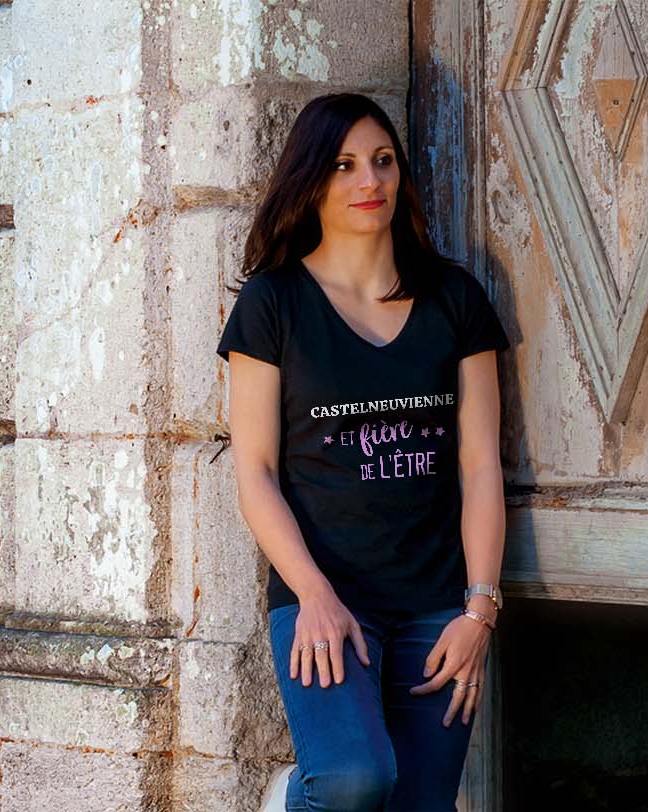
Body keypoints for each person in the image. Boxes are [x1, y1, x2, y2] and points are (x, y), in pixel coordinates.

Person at [218, 92, 509, 812]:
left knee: (419, 803)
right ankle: (297, 794)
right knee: (353, 781)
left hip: (436, 603)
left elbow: (479, 466)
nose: (368, 182)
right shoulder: (272, 303)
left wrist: (480, 611)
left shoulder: (455, 299)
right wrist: (312, 593)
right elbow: (254, 472)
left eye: (382, 162)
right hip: (325, 595)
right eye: (345, 166)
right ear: (313, 182)